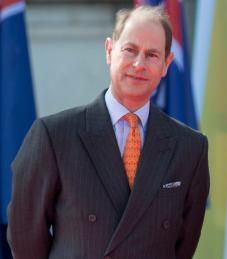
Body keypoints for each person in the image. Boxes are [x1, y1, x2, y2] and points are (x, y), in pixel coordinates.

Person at [7, 6, 209, 259]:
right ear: (109, 50)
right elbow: (25, 237)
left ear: (166, 64)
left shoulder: (190, 147)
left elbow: (184, 244)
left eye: (152, 55)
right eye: (130, 50)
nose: (139, 64)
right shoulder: (54, 136)